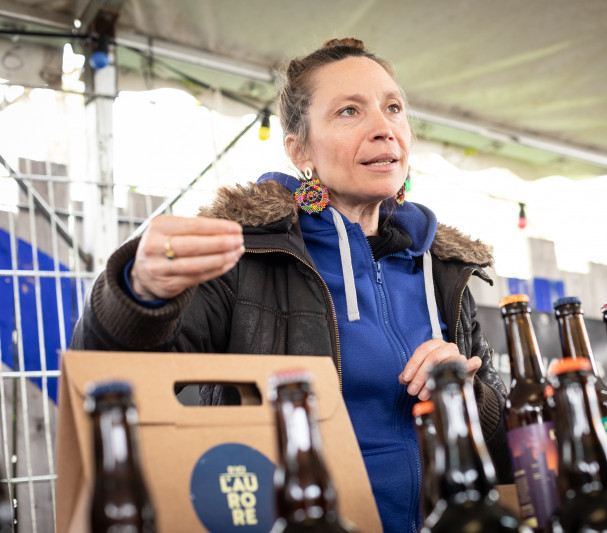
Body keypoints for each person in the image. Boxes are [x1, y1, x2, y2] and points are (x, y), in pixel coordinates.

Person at [70, 37, 512, 533]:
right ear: (299, 149)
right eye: (349, 111)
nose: (384, 128)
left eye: (394, 108)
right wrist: (139, 294)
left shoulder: (446, 270)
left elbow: (511, 455)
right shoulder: (244, 255)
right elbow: (105, 379)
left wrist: (466, 394)